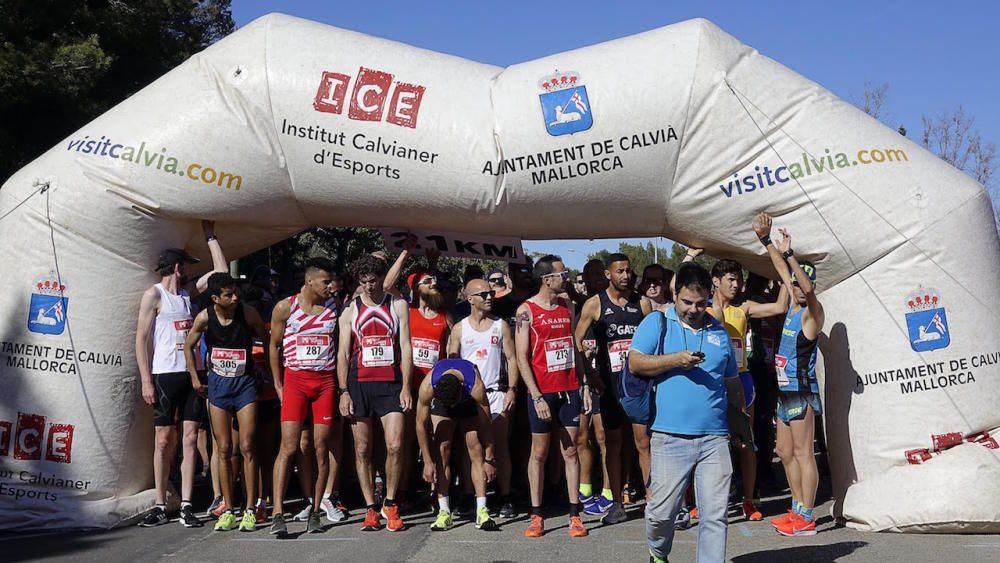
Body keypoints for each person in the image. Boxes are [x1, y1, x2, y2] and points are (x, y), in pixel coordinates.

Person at [629, 262, 751, 563]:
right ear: (675, 293)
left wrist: (740, 424)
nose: (694, 309)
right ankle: (658, 553)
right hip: (669, 437)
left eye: (700, 303)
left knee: (715, 516)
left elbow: (732, 382)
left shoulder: (719, 333)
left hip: (714, 438)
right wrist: (674, 360)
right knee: (661, 514)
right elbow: (635, 363)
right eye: (687, 302)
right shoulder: (657, 322)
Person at [136, 221, 228, 528]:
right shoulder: (155, 294)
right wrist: (146, 379)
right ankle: (161, 504)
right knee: (164, 440)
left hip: (193, 373)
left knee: (190, 437)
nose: (187, 271)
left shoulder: (189, 294)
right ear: (177, 267)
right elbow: (141, 338)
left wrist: (210, 236)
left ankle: (187, 504)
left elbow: (220, 272)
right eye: (185, 266)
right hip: (164, 374)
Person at [708, 212, 792, 521]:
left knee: (747, 444)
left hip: (742, 381)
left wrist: (784, 268)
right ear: (715, 282)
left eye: (739, 279)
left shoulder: (744, 308)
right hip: (712, 384)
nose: (737, 283)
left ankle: (749, 499)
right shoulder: (700, 310)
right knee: (711, 445)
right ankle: (703, 499)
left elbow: (781, 306)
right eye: (730, 279)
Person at [183, 273, 269, 532]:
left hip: (244, 385)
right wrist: (195, 378)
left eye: (235, 293)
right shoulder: (205, 317)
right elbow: (189, 345)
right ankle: (228, 508)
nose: (235, 298)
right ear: (215, 298)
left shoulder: (248, 313)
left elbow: (264, 338)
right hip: (218, 386)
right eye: (228, 295)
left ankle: (250, 508)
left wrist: (262, 366)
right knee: (223, 448)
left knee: (247, 445)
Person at [515, 255, 591, 538]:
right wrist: (535, 396)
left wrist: (583, 385)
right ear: (547, 279)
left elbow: (574, 346)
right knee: (539, 453)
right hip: (543, 392)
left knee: (571, 451)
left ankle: (574, 515)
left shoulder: (567, 305)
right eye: (563, 273)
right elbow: (522, 357)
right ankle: (536, 515)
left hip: (569, 388)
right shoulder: (527, 310)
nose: (567, 277)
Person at [338, 254, 413, 532]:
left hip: (390, 383)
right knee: (363, 449)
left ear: (382, 278)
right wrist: (344, 391)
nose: (369, 286)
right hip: (359, 382)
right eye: (363, 282)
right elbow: (343, 355)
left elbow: (406, 346)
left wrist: (406, 386)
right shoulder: (350, 310)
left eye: (373, 281)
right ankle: (370, 507)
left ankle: (391, 503)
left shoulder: (398, 305)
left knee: (395, 444)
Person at [268, 258, 342, 536]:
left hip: (324, 383)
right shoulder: (285, 307)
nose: (330, 286)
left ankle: (315, 510)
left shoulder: (334, 307)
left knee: (320, 447)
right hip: (296, 381)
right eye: (325, 282)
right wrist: (278, 382)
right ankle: (277, 512)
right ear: (309, 281)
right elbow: (274, 346)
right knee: (289, 447)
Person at [573, 253, 639, 525]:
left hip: (638, 386)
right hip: (609, 387)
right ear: (609, 275)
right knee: (610, 443)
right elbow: (576, 340)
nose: (625, 275)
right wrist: (589, 374)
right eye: (620, 271)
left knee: (643, 443)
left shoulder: (641, 302)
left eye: (628, 270)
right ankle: (613, 500)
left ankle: (655, 500)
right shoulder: (594, 303)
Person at [447, 277, 520, 518]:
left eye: (491, 294)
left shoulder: (501, 325)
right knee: (471, 448)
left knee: (500, 446)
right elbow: (452, 359)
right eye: (483, 294)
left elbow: (511, 358)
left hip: (496, 392)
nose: (489, 297)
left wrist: (512, 389)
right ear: (470, 299)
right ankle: (470, 494)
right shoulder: (460, 328)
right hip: (469, 397)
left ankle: (505, 495)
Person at [770, 229, 825, 538]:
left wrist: (792, 258)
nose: (799, 289)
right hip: (783, 390)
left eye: (804, 284)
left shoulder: (812, 313)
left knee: (804, 453)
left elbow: (806, 287)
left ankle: (806, 516)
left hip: (802, 390)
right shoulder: (792, 304)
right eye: (794, 285)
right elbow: (783, 273)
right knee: (784, 451)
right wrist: (769, 243)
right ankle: (796, 506)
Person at [416, 358, 499, 532]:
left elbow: (486, 423)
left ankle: (482, 510)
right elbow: (420, 425)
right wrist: (427, 461)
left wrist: (489, 458)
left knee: (475, 446)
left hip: (466, 401)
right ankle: (444, 511)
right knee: (441, 449)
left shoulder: (475, 386)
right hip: (442, 403)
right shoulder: (428, 387)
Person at [404, 268, 452, 505]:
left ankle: (437, 489)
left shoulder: (444, 315)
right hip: (411, 386)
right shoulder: (408, 313)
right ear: (415, 288)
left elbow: (453, 348)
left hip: (436, 386)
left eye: (434, 280)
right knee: (410, 439)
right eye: (427, 281)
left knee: (437, 438)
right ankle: (409, 488)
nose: (433, 283)